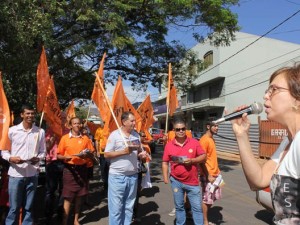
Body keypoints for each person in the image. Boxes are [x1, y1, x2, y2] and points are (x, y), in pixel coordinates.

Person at [230, 63, 300, 224]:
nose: (265, 96)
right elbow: (259, 181)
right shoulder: (288, 142)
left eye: (273, 90)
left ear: (297, 98)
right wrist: (241, 135)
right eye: (267, 91)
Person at [1, 104, 46, 225]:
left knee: (29, 208)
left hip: (32, 174)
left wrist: (38, 158)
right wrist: (11, 158)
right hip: (16, 175)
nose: (30, 116)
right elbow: (4, 151)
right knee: (13, 208)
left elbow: (43, 152)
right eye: (27, 113)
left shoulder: (40, 132)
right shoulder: (12, 131)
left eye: (32, 113)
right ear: (22, 115)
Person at [104, 111, 147, 225]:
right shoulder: (115, 135)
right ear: (124, 122)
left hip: (133, 176)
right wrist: (124, 151)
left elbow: (139, 151)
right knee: (116, 209)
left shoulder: (136, 135)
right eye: (132, 121)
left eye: (134, 120)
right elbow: (106, 154)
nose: (135, 123)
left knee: (129, 207)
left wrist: (142, 155)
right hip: (117, 177)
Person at [162, 117, 206, 225]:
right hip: (176, 181)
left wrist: (192, 160)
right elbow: (165, 162)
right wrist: (165, 178)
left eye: (182, 129)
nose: (180, 131)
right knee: (179, 206)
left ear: (185, 129)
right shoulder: (169, 145)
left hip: (192, 182)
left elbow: (203, 156)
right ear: (174, 130)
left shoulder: (194, 142)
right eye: (178, 129)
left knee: (197, 208)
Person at [57, 117, 95, 225]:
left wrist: (87, 155)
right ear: (70, 125)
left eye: (78, 123)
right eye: (74, 123)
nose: (77, 125)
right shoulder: (64, 138)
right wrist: (65, 157)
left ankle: (76, 220)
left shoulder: (86, 139)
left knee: (79, 196)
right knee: (68, 197)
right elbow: (58, 155)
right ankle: (64, 221)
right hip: (69, 169)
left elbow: (92, 153)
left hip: (82, 169)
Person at [199, 121, 222, 225]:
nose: (217, 128)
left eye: (217, 126)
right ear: (208, 126)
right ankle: (205, 221)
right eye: (215, 126)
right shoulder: (204, 140)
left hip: (216, 174)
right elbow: (201, 160)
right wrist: (208, 175)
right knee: (207, 199)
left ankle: (204, 218)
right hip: (208, 175)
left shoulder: (212, 139)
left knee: (213, 198)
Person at [94, 122, 110, 192]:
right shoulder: (99, 130)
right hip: (102, 153)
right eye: (103, 122)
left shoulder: (111, 130)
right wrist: (97, 151)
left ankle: (111, 186)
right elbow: (96, 141)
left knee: (110, 170)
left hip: (110, 153)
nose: (104, 123)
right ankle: (105, 185)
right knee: (103, 169)